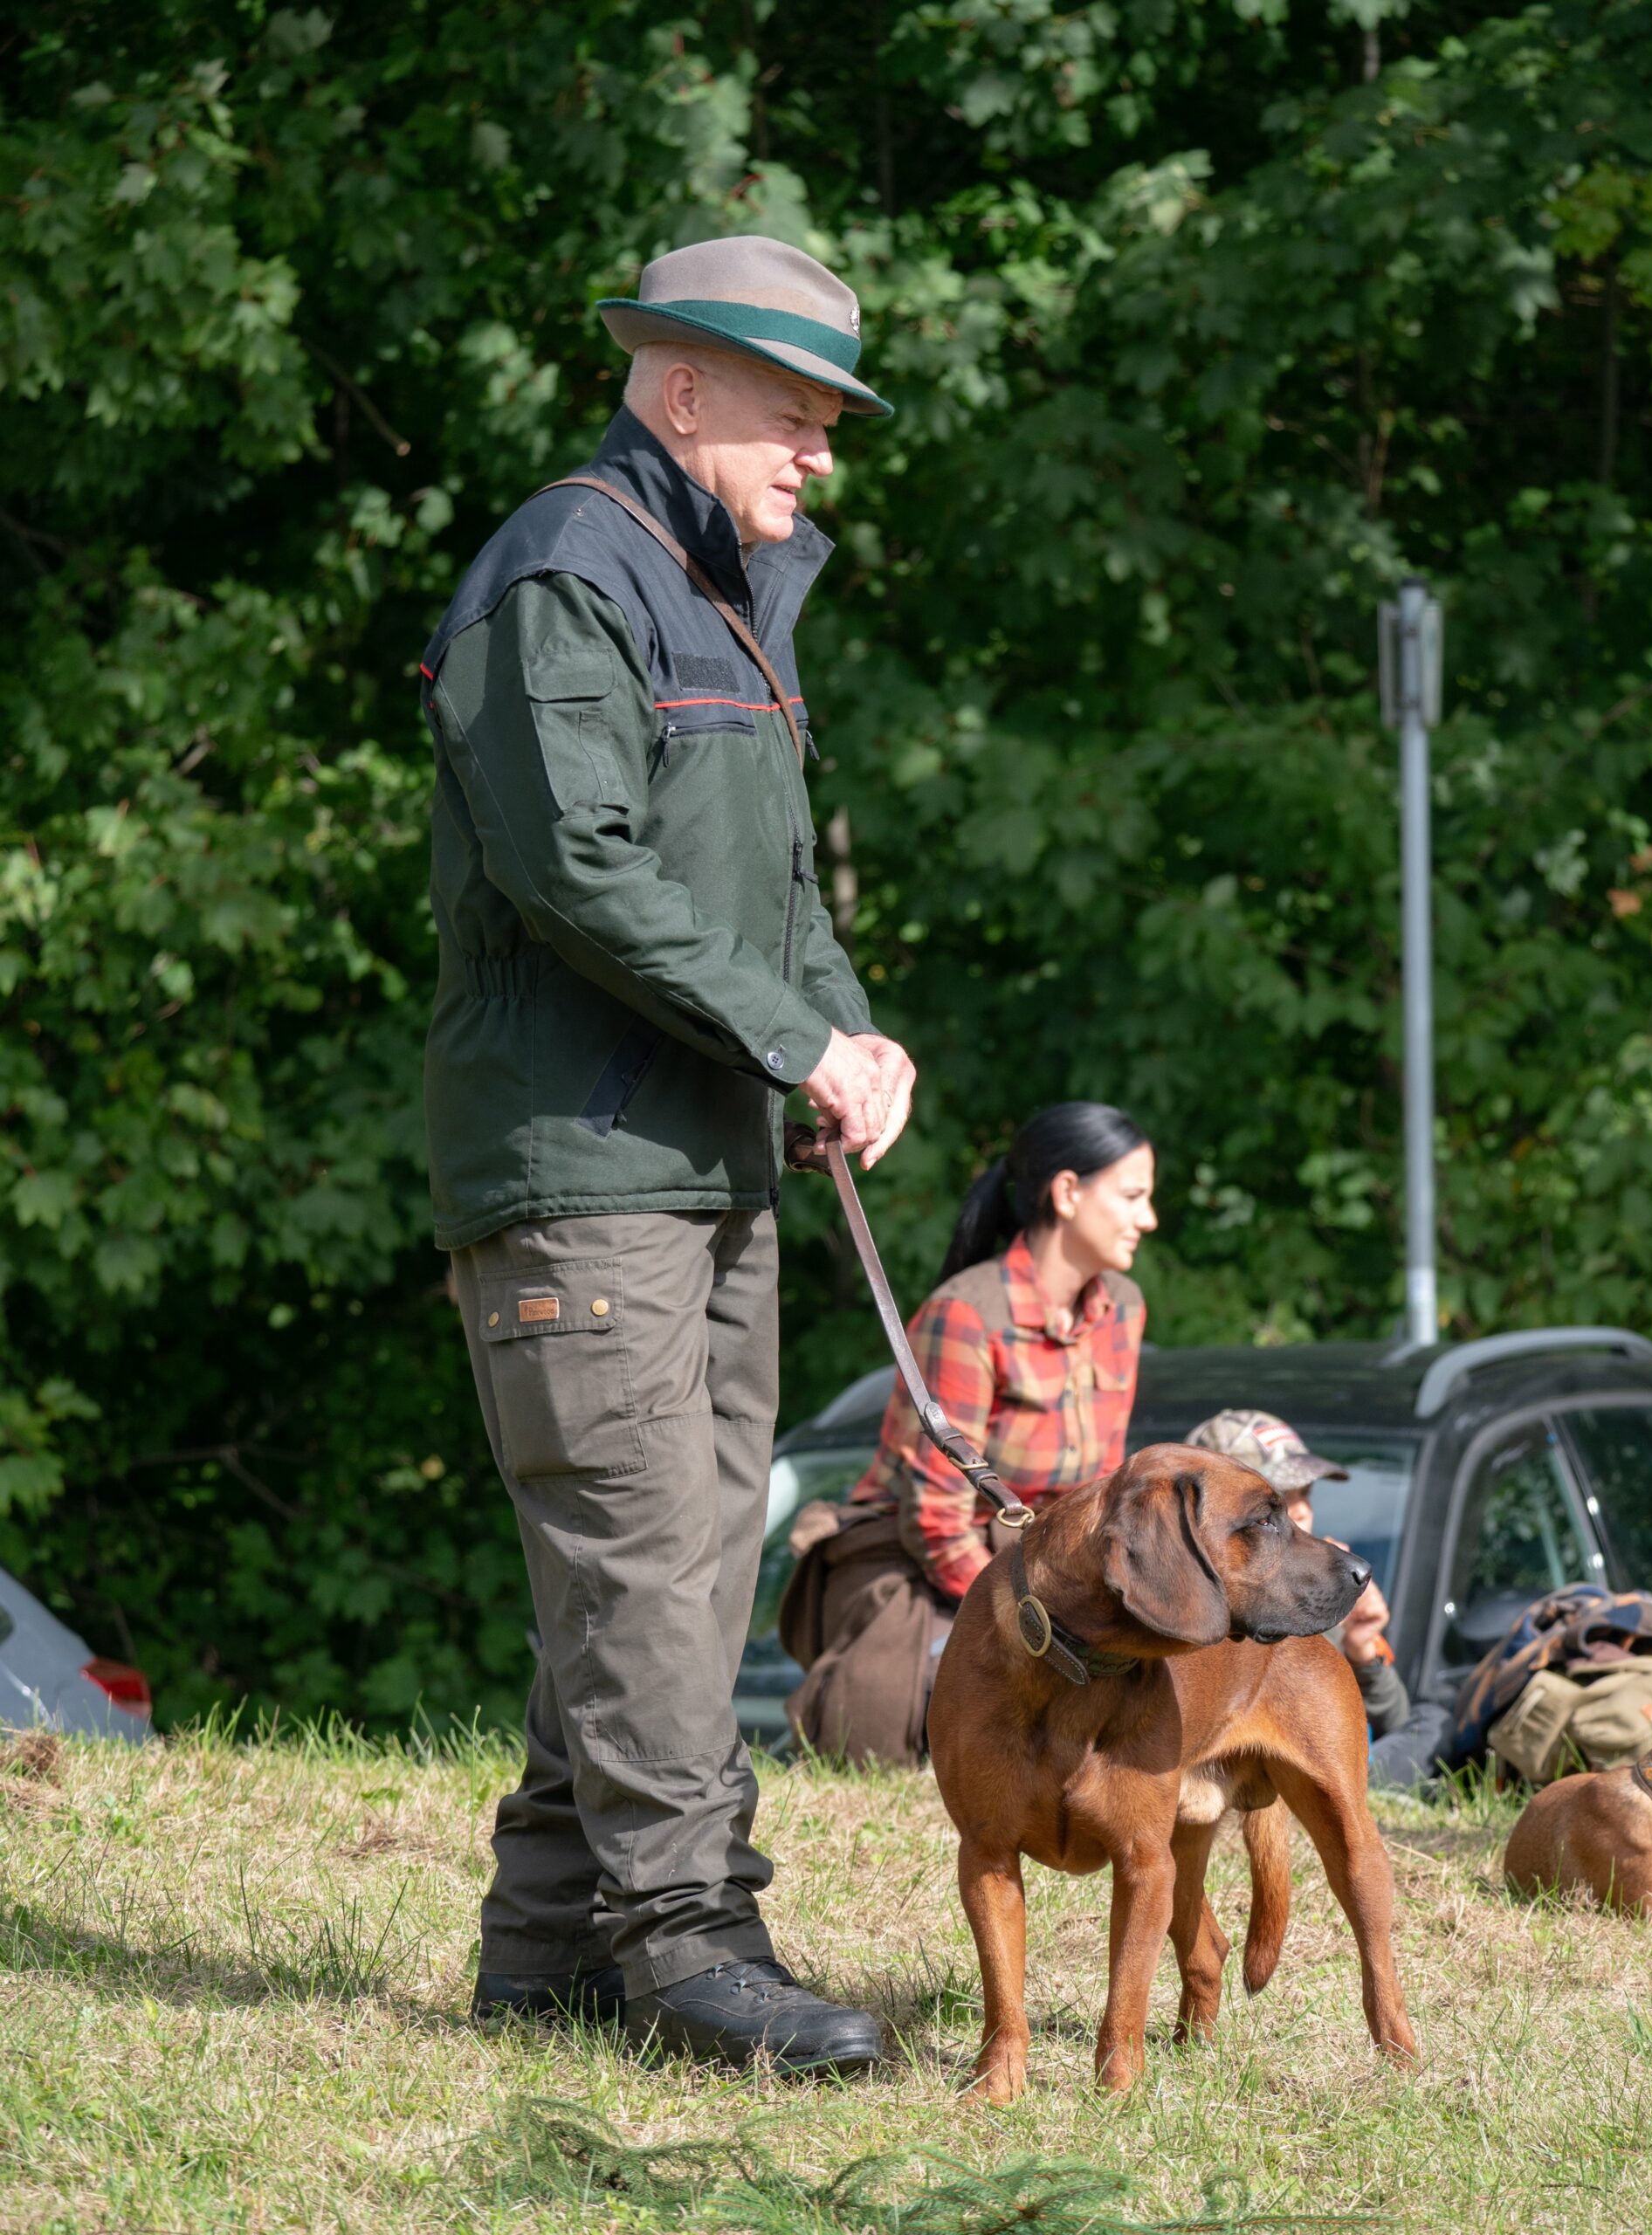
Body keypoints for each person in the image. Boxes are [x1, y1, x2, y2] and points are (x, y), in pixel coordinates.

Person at [420, 236, 917, 2076]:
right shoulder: (566, 570)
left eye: (830, 425)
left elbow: (765, 890)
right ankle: (694, 1941)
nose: (822, 456)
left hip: (712, 1165)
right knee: (641, 1564)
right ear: (684, 389)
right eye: (796, 418)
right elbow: (578, 865)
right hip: (583, 1166)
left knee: (686, 1565)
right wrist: (793, 1036)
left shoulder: (729, 592)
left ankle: (549, 1947)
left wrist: (847, 1035)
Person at [780, 1103, 1155, 1764]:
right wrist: (1038, 1622)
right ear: (1068, 1193)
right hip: (925, 1568)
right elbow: (934, 1522)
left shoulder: (1123, 1308)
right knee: (902, 1711)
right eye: (1132, 1196)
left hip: (1049, 1567)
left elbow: (1106, 1490)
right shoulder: (966, 1314)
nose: (1147, 1218)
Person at [1183, 1410, 1415, 1749]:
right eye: (1274, 1501)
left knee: (1429, 1722)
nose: (1302, 1509)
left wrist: (1362, 1651)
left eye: (1306, 1493)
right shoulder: (1226, 1607)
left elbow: (1397, 1727)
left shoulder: (1319, 1577)